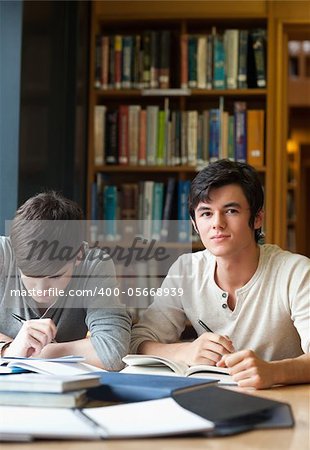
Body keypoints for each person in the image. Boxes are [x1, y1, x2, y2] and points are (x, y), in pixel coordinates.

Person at [131, 159, 310, 389]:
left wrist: (273, 372)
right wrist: (187, 350)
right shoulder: (186, 270)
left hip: (286, 403)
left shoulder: (296, 273)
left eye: (231, 211)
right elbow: (139, 340)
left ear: (257, 218)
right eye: (206, 213)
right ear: (195, 224)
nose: (217, 224)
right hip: (210, 399)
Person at [0, 191, 131, 370]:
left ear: (78, 255)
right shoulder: (3, 255)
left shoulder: (93, 264)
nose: (41, 290)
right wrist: (8, 350)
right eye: (30, 275)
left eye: (55, 276)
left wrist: (35, 352)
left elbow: (114, 351)